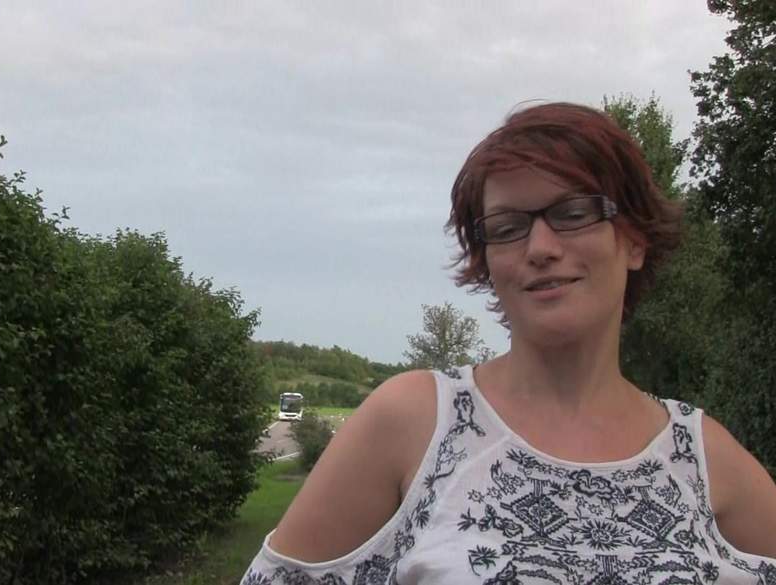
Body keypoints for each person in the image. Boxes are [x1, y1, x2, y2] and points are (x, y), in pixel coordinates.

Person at [240, 103, 776, 584]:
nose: (540, 247)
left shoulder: (701, 457)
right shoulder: (415, 422)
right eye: (507, 228)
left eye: (572, 214)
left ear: (634, 241)